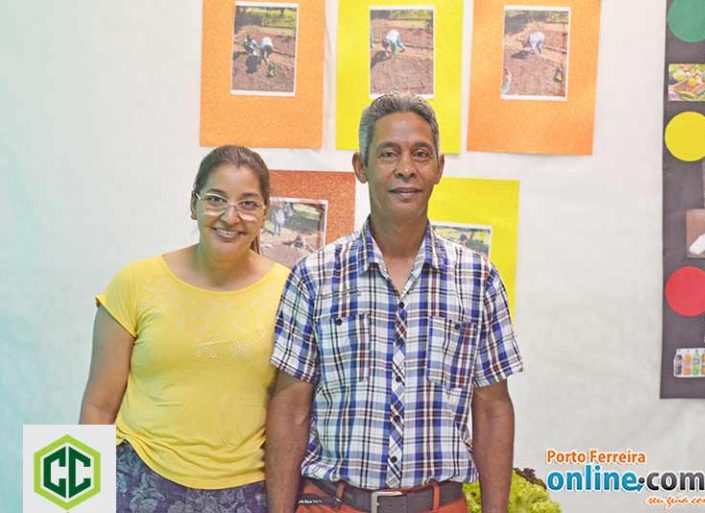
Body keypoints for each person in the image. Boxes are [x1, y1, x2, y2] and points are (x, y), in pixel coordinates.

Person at [266, 93, 524, 513]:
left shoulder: (479, 280)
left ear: (439, 168)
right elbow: (290, 406)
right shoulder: (314, 277)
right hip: (334, 503)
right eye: (388, 153)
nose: (406, 168)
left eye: (421, 154)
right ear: (361, 166)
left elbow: (493, 408)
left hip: (439, 505)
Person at [80, 145, 290, 513]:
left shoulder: (290, 292)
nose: (230, 217)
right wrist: (83, 504)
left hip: (244, 495)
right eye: (215, 199)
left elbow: (291, 412)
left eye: (247, 203)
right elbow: (98, 407)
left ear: (264, 214)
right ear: (193, 204)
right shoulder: (135, 283)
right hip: (136, 483)